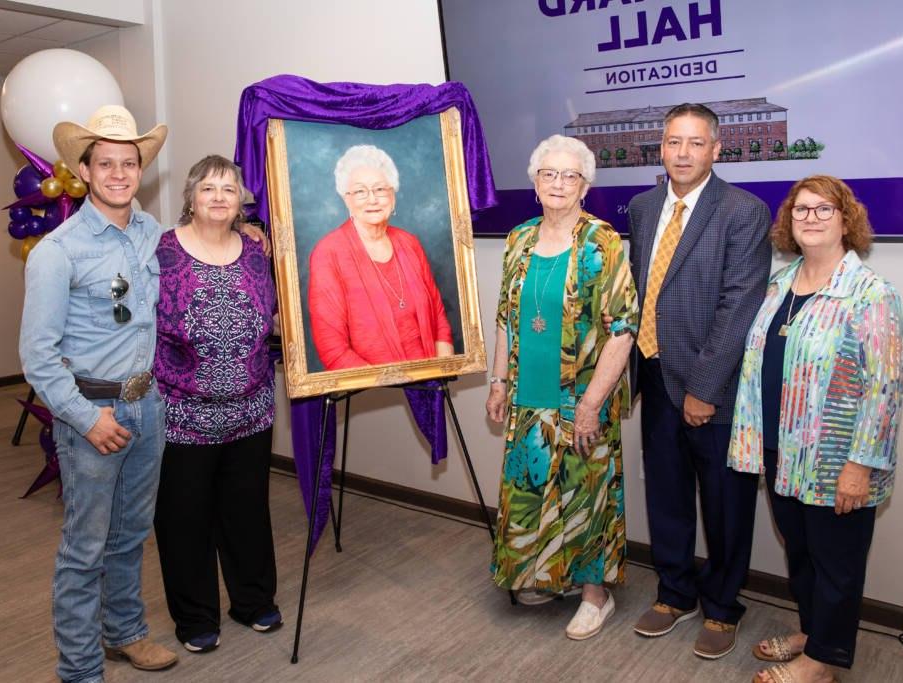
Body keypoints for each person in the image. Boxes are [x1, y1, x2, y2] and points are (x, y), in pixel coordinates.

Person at [728, 175, 903, 683]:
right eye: (801, 209)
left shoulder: (870, 293)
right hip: (781, 451)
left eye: (823, 209)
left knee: (837, 562)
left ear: (846, 220)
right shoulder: (779, 285)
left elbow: (885, 389)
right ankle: (812, 631)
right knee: (801, 551)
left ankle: (823, 661)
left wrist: (860, 465)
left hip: (836, 460)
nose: (810, 217)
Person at [21, 105, 177, 681]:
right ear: (83, 171)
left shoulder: (153, 234)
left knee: (132, 533)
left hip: (148, 406)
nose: (118, 173)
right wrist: (86, 419)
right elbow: (37, 355)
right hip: (93, 412)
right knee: (84, 549)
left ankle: (126, 632)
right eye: (105, 163)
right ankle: (81, 669)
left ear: (141, 170)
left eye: (129, 163)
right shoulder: (57, 252)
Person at [626, 103, 772, 658]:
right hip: (656, 373)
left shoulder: (742, 211)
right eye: (672, 142)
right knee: (665, 493)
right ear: (660, 149)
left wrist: (705, 389)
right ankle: (674, 593)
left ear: (716, 148)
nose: (681, 153)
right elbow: (640, 292)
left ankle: (723, 606)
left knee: (725, 504)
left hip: (714, 389)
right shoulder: (642, 208)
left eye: (693, 143)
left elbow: (740, 306)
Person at [486, 134, 638, 641]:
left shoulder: (603, 242)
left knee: (584, 492)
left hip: (580, 397)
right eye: (548, 174)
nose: (558, 183)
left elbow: (623, 329)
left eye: (569, 175)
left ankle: (596, 595)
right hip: (527, 396)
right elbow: (507, 316)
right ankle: (549, 572)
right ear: (534, 184)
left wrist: (593, 403)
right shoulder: (519, 239)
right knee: (533, 488)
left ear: (584, 186)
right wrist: (498, 380)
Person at [152, 155, 281, 654]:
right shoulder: (161, 251)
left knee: (247, 510)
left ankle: (253, 601)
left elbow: (269, 314)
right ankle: (195, 617)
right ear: (191, 196)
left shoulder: (255, 252)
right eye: (208, 188)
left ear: (241, 200)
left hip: (251, 410)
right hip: (184, 414)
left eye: (229, 189)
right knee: (185, 516)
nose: (219, 197)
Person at [308, 144, 454, 369]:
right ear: (346, 199)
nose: (372, 199)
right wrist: (383, 384)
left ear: (393, 195)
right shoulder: (328, 253)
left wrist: (444, 368)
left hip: (428, 376)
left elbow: (438, 314)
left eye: (380, 189)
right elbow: (332, 348)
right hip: (370, 390)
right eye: (360, 191)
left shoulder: (409, 243)